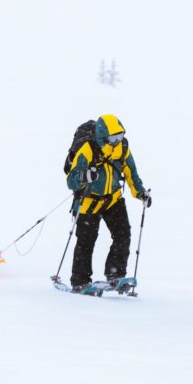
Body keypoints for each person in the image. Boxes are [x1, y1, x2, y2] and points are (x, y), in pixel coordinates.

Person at [65, 114, 150, 291]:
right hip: (88, 201)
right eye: (114, 137)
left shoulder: (122, 147)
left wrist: (140, 193)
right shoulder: (88, 148)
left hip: (113, 199)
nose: (118, 140)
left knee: (123, 234)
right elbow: (71, 180)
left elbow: (130, 172)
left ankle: (116, 275)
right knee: (86, 241)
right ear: (103, 136)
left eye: (121, 136)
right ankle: (80, 281)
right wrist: (85, 176)